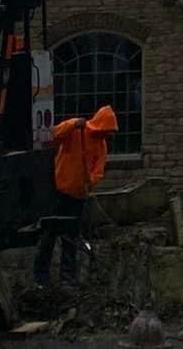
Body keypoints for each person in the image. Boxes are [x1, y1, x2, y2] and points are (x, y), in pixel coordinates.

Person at [36, 105, 120, 288]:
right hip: (58, 193)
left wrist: (89, 180)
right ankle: (41, 277)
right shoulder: (76, 132)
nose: (107, 136)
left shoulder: (101, 146)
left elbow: (98, 172)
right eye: (106, 131)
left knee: (71, 238)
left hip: (78, 197)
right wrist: (73, 124)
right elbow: (52, 135)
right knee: (48, 235)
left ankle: (68, 277)